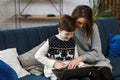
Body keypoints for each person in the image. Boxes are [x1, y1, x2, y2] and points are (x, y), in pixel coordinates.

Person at [66, 5, 115, 80]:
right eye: (79, 22)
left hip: (97, 60)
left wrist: (81, 58)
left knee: (107, 76)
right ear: (74, 18)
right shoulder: (68, 28)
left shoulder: (92, 26)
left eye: (85, 24)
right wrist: (78, 60)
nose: (81, 26)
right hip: (82, 64)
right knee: (96, 77)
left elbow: (97, 52)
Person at [35, 14, 85, 80]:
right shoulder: (51, 41)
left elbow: (75, 58)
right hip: (54, 72)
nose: (69, 36)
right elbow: (38, 55)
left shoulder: (72, 42)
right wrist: (54, 63)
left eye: (72, 34)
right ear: (59, 30)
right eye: (67, 34)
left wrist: (81, 65)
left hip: (68, 71)